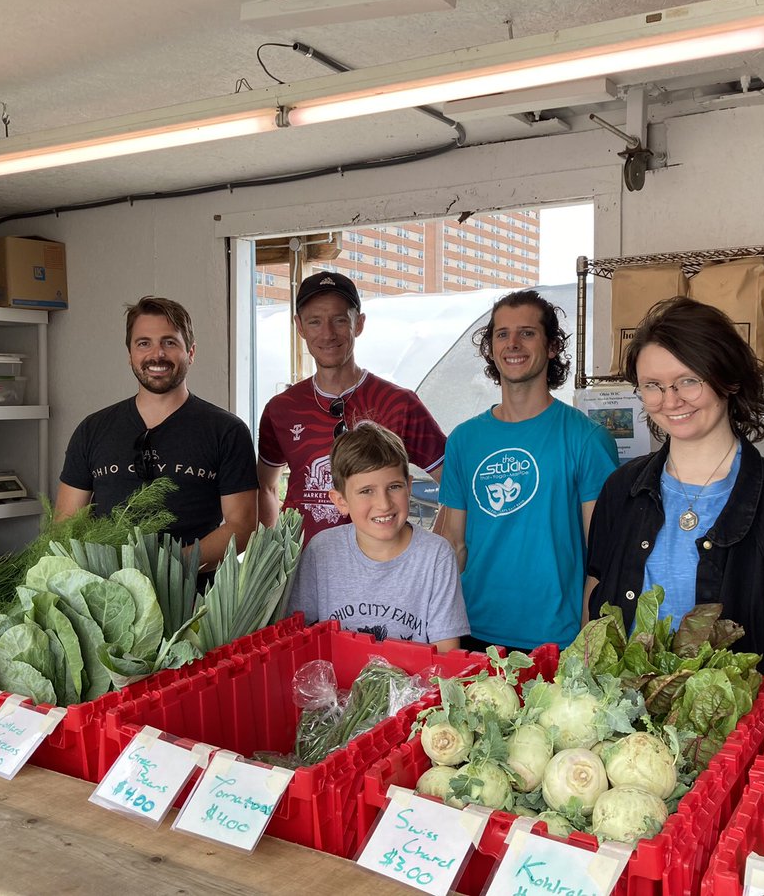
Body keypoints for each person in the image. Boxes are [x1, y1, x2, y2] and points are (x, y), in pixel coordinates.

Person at [584, 296, 764, 705]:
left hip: (726, 732)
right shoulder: (623, 489)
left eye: (688, 381)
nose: (670, 400)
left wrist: (726, 693)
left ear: (728, 379)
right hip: (623, 721)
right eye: (653, 385)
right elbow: (597, 592)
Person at [438, 289, 620, 653]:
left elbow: (602, 558)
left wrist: (587, 644)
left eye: (527, 333)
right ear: (491, 348)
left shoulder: (587, 439)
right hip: (472, 629)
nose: (513, 344)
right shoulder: (463, 440)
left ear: (552, 347)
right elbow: (453, 546)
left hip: (555, 640)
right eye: (502, 334)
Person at [56, 296, 259, 567]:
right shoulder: (92, 430)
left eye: (169, 342)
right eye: (144, 343)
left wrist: (168, 569)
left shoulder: (227, 431)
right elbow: (65, 526)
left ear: (191, 352)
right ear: (130, 355)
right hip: (106, 586)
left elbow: (242, 527)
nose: (157, 354)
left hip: (196, 590)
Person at [257, 270, 447, 542]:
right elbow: (266, 486)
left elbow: (454, 485)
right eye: (314, 322)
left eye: (339, 320)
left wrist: (435, 545)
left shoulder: (399, 404)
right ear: (299, 326)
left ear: (359, 324)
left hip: (380, 564)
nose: (327, 334)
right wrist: (270, 556)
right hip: (302, 563)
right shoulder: (281, 409)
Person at [288, 421, 469, 652]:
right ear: (341, 501)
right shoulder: (321, 550)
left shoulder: (436, 555)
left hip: (417, 677)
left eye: (394, 487)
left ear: (409, 487)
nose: (384, 504)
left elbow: (446, 652)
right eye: (366, 491)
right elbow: (297, 635)